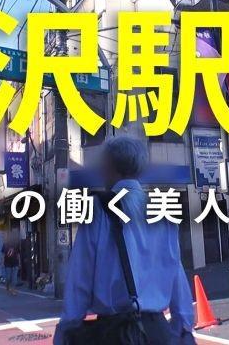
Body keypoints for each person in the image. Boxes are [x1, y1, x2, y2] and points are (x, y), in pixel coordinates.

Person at [54, 136, 195, 345]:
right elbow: (175, 272)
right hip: (157, 330)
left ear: (111, 166)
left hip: (115, 332)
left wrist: (66, 329)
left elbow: (80, 278)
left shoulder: (97, 209)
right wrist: (182, 327)